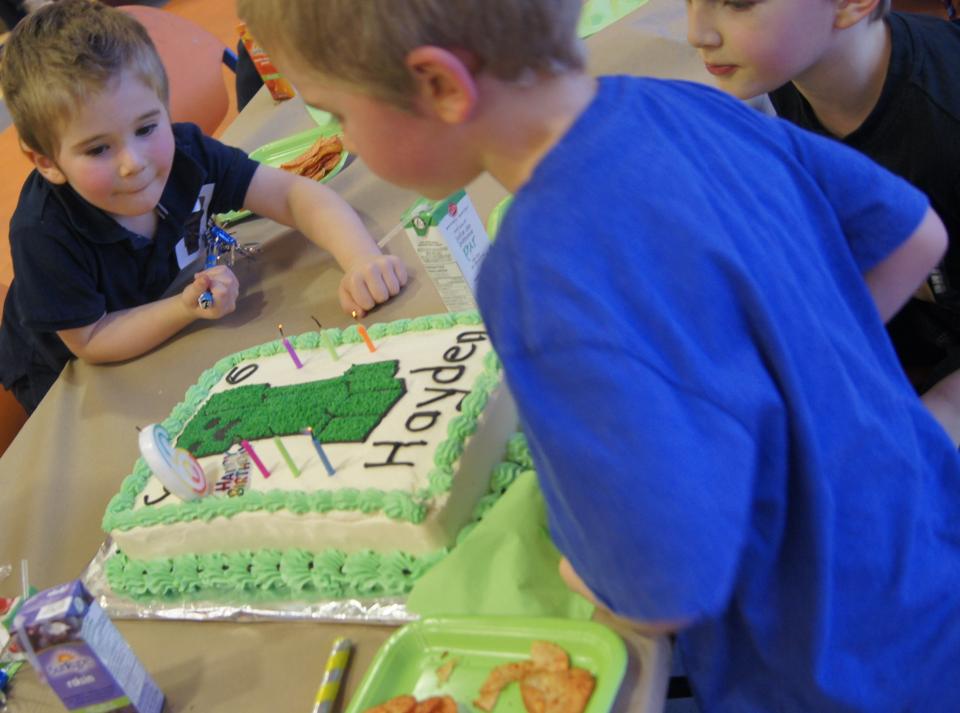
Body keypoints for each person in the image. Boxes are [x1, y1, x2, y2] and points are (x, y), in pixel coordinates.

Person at [238, 1, 960, 711]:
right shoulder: (689, 103)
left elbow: (666, 591)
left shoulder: (536, 278)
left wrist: (581, 570)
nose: (346, 140)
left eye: (337, 114)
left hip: (834, 670)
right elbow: (915, 236)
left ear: (441, 85)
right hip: (930, 544)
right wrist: (800, 356)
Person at [0, 0, 407, 414]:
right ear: (46, 162)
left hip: (163, 309)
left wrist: (361, 258)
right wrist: (182, 308)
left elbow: (292, 195)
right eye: (98, 149)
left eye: (146, 128)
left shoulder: (188, 153)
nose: (133, 163)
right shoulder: (42, 232)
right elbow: (92, 339)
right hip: (70, 374)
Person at [685, 0, 960, 442]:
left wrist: (937, 415)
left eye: (738, 2)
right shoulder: (794, 68)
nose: (696, 34)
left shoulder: (943, 126)